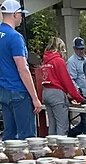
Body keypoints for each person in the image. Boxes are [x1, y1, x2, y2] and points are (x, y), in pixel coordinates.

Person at [0, 0, 42, 139]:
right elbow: (23, 68)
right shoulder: (15, 37)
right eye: (20, 15)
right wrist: (35, 98)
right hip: (18, 91)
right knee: (27, 137)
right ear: (14, 14)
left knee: (9, 135)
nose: (21, 18)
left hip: (3, 91)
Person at [41, 37, 85, 135]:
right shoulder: (58, 61)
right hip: (56, 94)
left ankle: (52, 147)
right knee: (62, 125)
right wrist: (79, 98)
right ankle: (61, 149)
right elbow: (67, 81)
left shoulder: (45, 61)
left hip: (46, 92)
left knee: (52, 124)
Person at [67, 36, 86, 135]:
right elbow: (71, 79)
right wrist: (78, 91)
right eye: (78, 49)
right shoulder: (72, 62)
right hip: (82, 95)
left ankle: (72, 134)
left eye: (82, 48)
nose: (81, 51)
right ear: (74, 49)